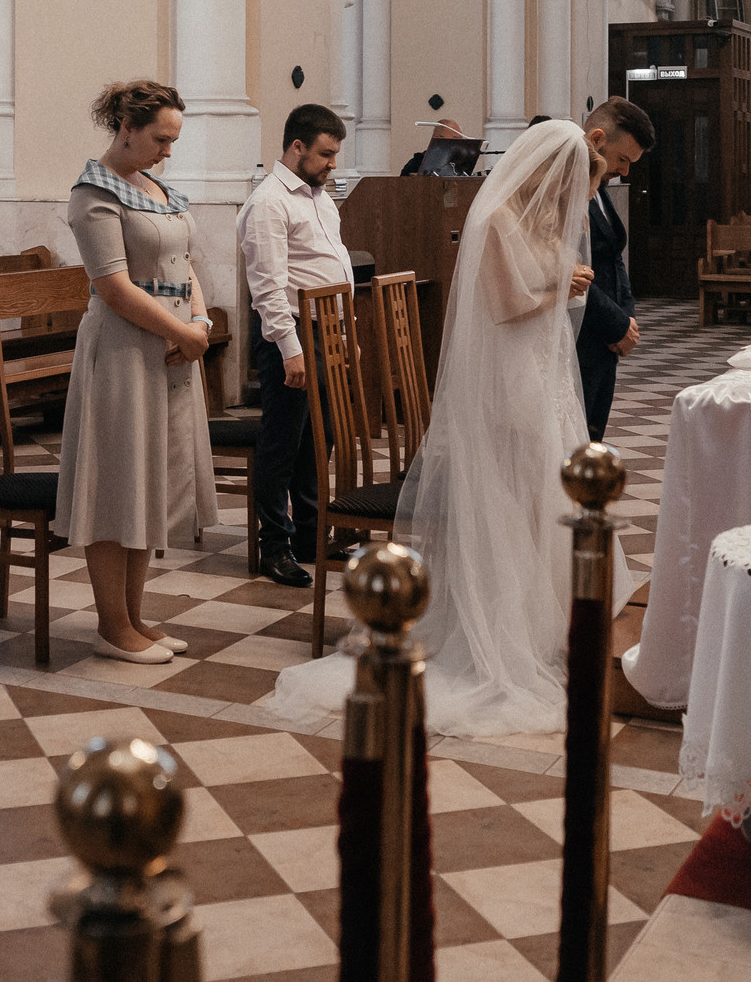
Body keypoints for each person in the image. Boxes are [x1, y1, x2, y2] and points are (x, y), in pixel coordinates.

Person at [264, 118, 635, 737]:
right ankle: (493, 633)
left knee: (541, 500)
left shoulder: (538, 220)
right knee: (512, 499)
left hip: (538, 378)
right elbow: (505, 304)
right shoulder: (494, 222)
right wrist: (561, 288)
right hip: (506, 384)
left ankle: (545, 628)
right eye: (569, 181)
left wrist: (563, 285)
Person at [57, 80, 218, 665]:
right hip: (124, 351)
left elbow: (184, 262)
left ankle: (135, 616)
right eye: (160, 139)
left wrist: (198, 321)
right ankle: (111, 625)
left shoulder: (156, 187)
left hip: (171, 350)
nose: (167, 151)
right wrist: (179, 333)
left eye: (173, 141)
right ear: (126, 127)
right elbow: (113, 286)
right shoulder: (92, 193)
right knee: (116, 484)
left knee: (148, 479)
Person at [236, 102, 354, 587]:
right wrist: (290, 348)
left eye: (335, 155)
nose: (332, 164)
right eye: (325, 154)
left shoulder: (318, 196)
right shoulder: (269, 203)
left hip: (324, 329)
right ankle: (275, 545)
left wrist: (344, 333)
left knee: (315, 442)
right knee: (282, 444)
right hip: (291, 334)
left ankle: (310, 534)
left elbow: (333, 263)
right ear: (297, 146)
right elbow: (268, 287)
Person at [574, 97, 654, 440]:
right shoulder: (569, 190)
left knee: (593, 441)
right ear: (597, 139)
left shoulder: (599, 188)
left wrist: (628, 318)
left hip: (606, 340)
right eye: (622, 159)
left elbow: (613, 256)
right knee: (575, 442)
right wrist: (616, 324)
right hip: (581, 336)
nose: (624, 171)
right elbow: (568, 270)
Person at [398, 118, 468, 177]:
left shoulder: (460, 163)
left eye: (460, 140)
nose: (459, 144)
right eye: (455, 139)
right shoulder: (417, 163)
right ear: (437, 139)